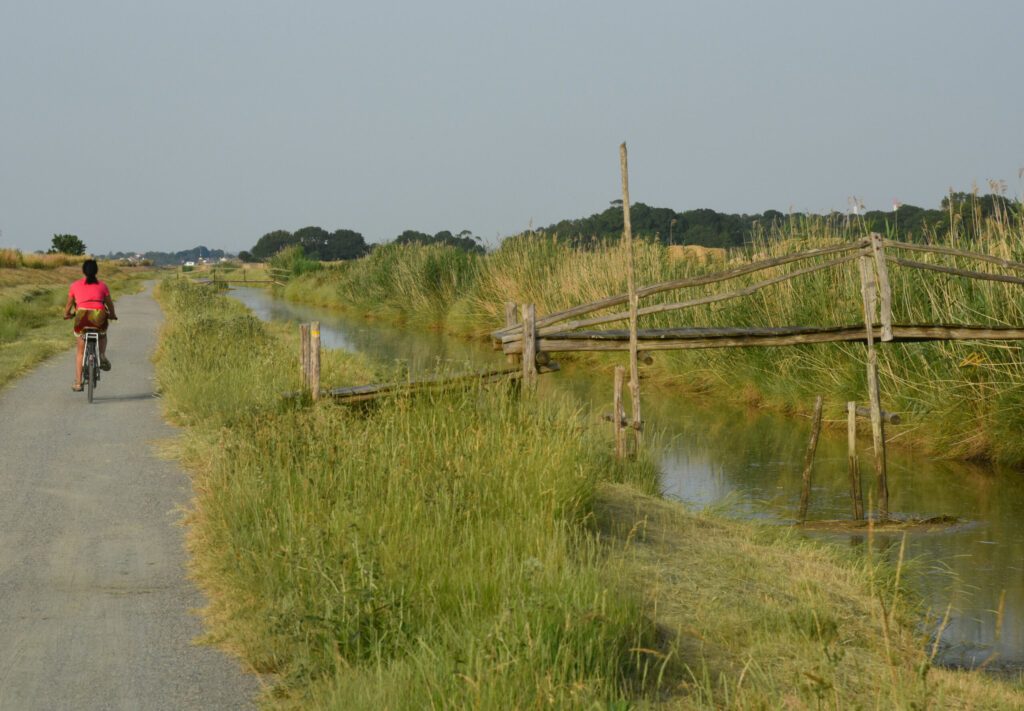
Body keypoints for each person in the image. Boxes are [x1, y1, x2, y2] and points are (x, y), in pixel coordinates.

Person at [63, 259, 117, 391]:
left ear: (83, 271)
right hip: (99, 317)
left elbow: (69, 304)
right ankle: (102, 355)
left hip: (82, 318)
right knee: (102, 333)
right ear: (96, 271)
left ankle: (78, 383)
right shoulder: (103, 286)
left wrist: (66, 314)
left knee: (80, 353)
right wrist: (112, 314)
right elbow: (109, 304)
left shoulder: (75, 285)